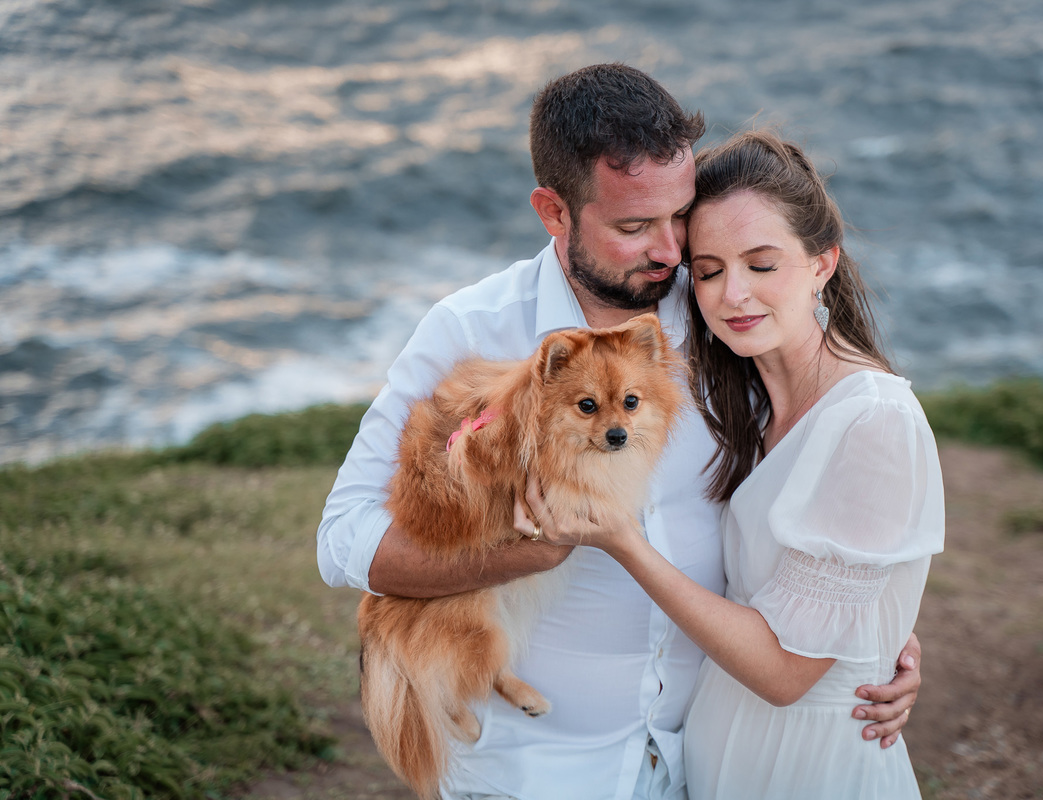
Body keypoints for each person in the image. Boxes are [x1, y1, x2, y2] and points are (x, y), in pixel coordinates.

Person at [318, 64, 920, 800]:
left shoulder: (722, 322)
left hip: (701, 759)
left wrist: (854, 636)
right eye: (635, 227)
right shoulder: (471, 329)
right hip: (531, 772)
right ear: (554, 211)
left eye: (680, 217)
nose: (670, 251)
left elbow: (811, 495)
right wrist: (526, 555)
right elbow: (344, 539)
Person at [518, 130, 944, 798]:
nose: (733, 295)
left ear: (823, 263)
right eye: (710, 270)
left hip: (808, 766)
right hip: (721, 761)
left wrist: (622, 542)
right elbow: (816, 584)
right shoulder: (747, 399)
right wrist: (870, 618)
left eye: (763, 264)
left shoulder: (872, 419)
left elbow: (784, 672)